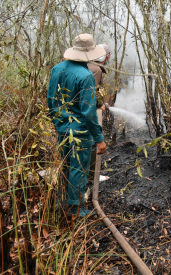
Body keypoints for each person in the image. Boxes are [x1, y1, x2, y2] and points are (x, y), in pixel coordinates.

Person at [47, 33, 107, 217]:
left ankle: (61, 202)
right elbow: (88, 112)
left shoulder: (56, 69)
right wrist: (99, 139)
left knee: (65, 166)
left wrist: (58, 123)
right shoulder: (86, 76)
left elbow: (50, 100)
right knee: (78, 170)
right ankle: (75, 209)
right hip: (80, 133)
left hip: (62, 130)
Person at [87, 44, 111, 182]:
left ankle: (88, 175)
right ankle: (91, 176)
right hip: (89, 111)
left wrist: (103, 103)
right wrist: (99, 104)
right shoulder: (96, 70)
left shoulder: (90, 66)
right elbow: (91, 93)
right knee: (91, 142)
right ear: (106, 56)